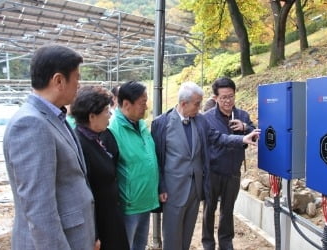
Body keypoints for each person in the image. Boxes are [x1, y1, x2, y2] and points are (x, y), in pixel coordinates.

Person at [3, 45, 96, 250]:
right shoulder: (31, 124)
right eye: (77, 78)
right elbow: (39, 209)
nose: (79, 85)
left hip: (73, 237)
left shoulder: (54, 117)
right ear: (59, 81)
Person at [151, 81, 260, 250]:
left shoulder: (199, 121)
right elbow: (157, 159)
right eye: (197, 104)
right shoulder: (162, 123)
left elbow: (218, 138)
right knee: (172, 238)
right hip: (173, 191)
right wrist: (161, 186)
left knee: (187, 235)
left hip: (195, 190)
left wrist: (242, 138)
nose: (200, 107)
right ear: (183, 103)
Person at [71, 86, 130, 250]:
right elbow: (84, 195)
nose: (110, 115)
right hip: (101, 225)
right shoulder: (81, 146)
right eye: (106, 111)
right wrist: (94, 234)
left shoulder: (96, 139)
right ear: (92, 116)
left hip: (110, 218)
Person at [202, 77, 256, 250]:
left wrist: (245, 127)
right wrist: (241, 138)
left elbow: (255, 135)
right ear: (216, 98)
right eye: (223, 97)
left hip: (233, 171)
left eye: (231, 96)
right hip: (213, 171)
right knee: (209, 210)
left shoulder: (242, 116)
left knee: (228, 211)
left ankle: (226, 243)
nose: (228, 101)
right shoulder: (207, 118)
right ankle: (208, 243)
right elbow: (218, 138)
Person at [105, 80, 159, 250]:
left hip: (145, 200)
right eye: (143, 103)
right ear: (126, 104)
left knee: (139, 245)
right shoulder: (113, 130)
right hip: (128, 205)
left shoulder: (141, 125)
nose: (146, 107)